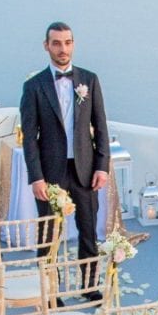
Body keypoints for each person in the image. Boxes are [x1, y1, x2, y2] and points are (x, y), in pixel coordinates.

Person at [20, 21, 110, 300]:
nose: (63, 49)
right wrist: (36, 177)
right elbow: (29, 137)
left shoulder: (89, 80)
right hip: (50, 173)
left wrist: (102, 166)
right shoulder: (33, 87)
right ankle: (50, 291)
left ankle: (89, 286)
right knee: (49, 234)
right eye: (56, 43)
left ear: (73, 44)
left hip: (84, 169)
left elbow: (101, 127)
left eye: (67, 42)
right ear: (46, 46)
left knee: (88, 230)